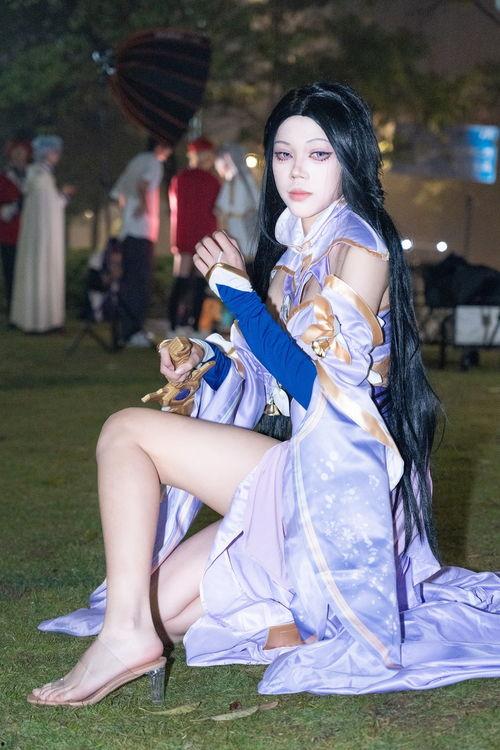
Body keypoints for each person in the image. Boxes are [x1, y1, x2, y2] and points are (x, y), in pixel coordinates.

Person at [29, 82, 500, 707]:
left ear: (350, 158)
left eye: (318, 154)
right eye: (283, 154)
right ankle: (285, 618)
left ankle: (124, 638)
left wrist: (237, 293)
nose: (297, 171)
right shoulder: (291, 256)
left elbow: (320, 391)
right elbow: (261, 377)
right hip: (297, 474)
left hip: (343, 485)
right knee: (161, 611)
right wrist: (203, 362)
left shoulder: (361, 248)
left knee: (125, 431)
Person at [110, 138, 172, 346]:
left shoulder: (137, 160)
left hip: (128, 230)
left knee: (129, 280)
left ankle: (126, 329)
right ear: (160, 147)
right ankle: (134, 331)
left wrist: (127, 212)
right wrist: (144, 206)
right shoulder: (154, 162)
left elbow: (119, 193)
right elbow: (143, 184)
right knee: (140, 281)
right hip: (141, 230)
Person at [10, 135, 74, 333]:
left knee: (35, 273)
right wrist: (64, 196)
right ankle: (42, 321)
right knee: (43, 274)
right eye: (55, 152)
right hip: (44, 239)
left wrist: (61, 197)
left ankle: (35, 319)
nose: (58, 156)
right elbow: (50, 208)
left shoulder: (37, 175)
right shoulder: (41, 177)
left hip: (38, 238)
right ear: (47, 154)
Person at [167, 136, 220, 332]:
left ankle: (173, 325)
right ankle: (195, 325)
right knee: (199, 282)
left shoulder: (180, 179)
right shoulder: (213, 181)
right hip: (205, 235)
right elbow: (217, 209)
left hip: (183, 234)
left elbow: (175, 207)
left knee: (180, 279)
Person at [0, 139, 31, 317]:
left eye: (22, 152)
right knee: (11, 274)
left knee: (28, 274)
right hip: (10, 234)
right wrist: (15, 206)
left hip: (30, 233)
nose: (20, 155)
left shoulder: (32, 175)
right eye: (16, 152)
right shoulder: (4, 178)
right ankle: (13, 312)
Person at [215, 143, 260, 260]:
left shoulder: (236, 181)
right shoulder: (243, 179)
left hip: (241, 223)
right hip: (236, 223)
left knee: (244, 251)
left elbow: (222, 207)